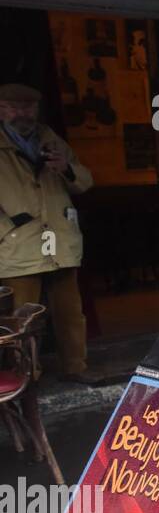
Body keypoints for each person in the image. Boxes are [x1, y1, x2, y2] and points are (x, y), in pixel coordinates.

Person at [0, 83, 94, 381]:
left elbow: (85, 181)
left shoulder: (50, 139)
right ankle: (26, 374)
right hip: (17, 242)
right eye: (14, 107)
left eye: (28, 107)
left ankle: (75, 367)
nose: (22, 113)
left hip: (58, 239)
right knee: (20, 317)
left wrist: (66, 168)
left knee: (69, 313)